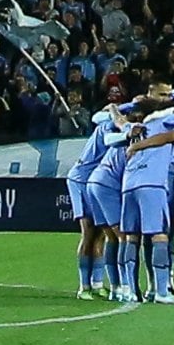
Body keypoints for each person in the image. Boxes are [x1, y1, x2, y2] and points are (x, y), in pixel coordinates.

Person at [117, 101, 174, 306]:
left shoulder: (132, 128)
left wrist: (112, 108)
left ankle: (130, 291)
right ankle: (161, 291)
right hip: (152, 184)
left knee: (131, 237)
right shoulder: (165, 122)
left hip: (129, 184)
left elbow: (117, 120)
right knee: (159, 235)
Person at [70, 107, 128, 299]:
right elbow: (106, 139)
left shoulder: (109, 120)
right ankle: (83, 287)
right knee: (89, 233)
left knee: (103, 233)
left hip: (96, 181)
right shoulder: (109, 127)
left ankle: (97, 283)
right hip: (81, 179)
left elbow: (96, 115)